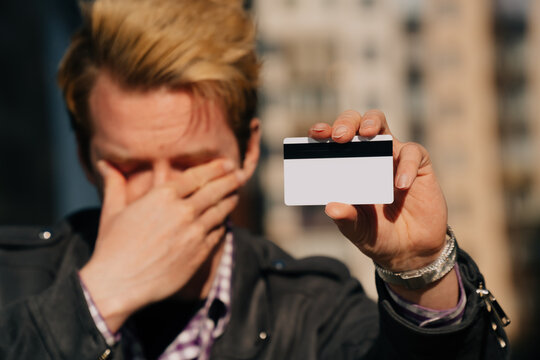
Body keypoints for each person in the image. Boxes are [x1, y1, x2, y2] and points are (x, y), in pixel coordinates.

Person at [0, 0, 509, 359]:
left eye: (190, 164)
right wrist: (96, 302)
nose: (161, 195)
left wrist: (422, 273)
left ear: (247, 153)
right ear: (85, 159)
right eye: (130, 168)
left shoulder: (314, 311)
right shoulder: (12, 281)